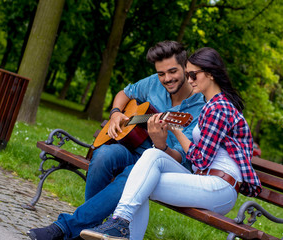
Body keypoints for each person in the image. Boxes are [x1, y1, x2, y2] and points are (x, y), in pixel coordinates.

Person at [27, 41, 206, 240]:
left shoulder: (199, 107)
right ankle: (92, 226)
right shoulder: (153, 83)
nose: (167, 78)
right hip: (135, 147)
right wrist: (115, 114)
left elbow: (182, 158)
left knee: (132, 174)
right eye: (161, 73)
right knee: (104, 154)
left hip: (163, 163)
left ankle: (65, 228)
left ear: (185, 67)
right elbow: (125, 93)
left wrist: (161, 145)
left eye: (173, 71)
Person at [79, 47, 262, 240]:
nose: (190, 80)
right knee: (149, 160)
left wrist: (176, 129)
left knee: (140, 182)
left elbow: (200, 160)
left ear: (210, 74)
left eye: (193, 74)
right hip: (203, 179)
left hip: (220, 187)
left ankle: (119, 224)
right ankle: (121, 225)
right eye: (188, 74)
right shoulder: (211, 105)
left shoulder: (220, 108)